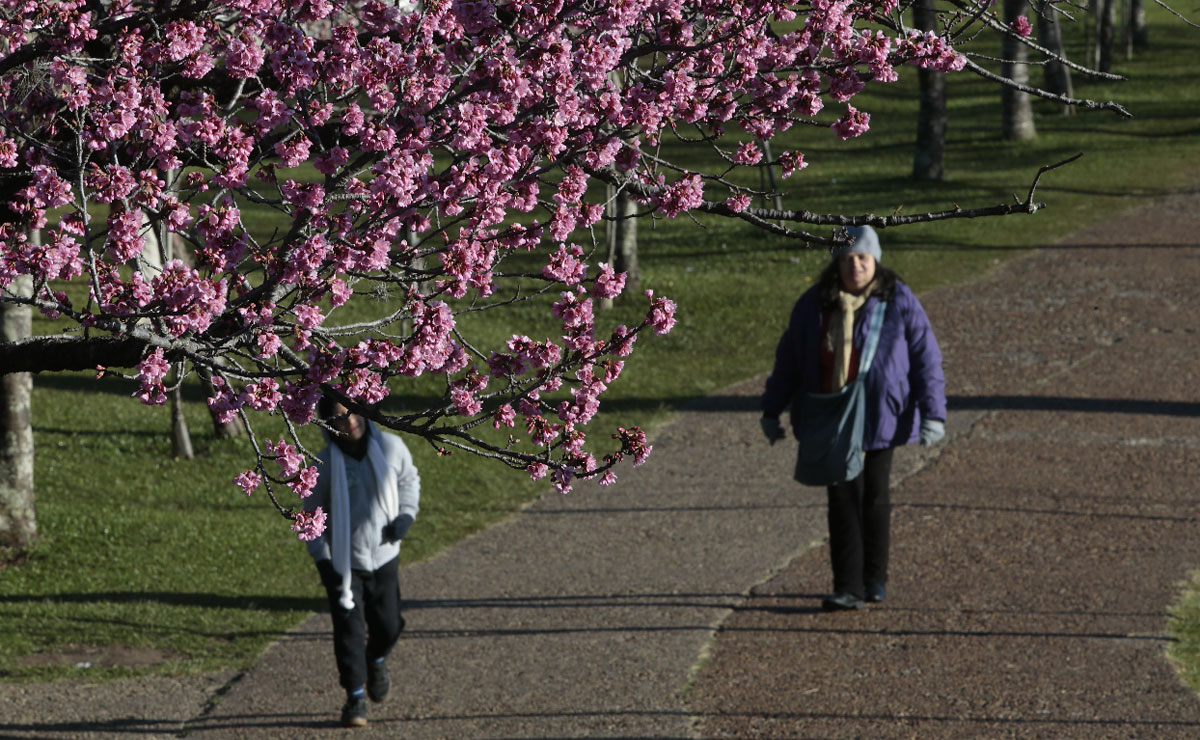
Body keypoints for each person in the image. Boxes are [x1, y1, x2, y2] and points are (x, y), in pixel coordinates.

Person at [760, 225, 946, 612]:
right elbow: (789, 359)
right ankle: (848, 586)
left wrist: (933, 414)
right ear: (836, 262)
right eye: (847, 258)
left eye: (862, 257)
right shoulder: (814, 303)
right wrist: (771, 409)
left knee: (874, 496)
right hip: (831, 414)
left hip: (881, 414)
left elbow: (925, 357)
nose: (855, 266)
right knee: (843, 498)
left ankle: (874, 579)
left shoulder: (898, 299)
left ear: (875, 259)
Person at [303, 396, 421, 727]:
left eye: (353, 412)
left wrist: (406, 515)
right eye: (340, 417)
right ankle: (355, 698)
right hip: (344, 562)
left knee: (389, 625)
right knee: (349, 632)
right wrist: (323, 561)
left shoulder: (391, 447)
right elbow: (309, 517)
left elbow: (408, 481)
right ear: (329, 425)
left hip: (384, 556)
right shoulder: (324, 465)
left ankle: (376, 658)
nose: (350, 421)